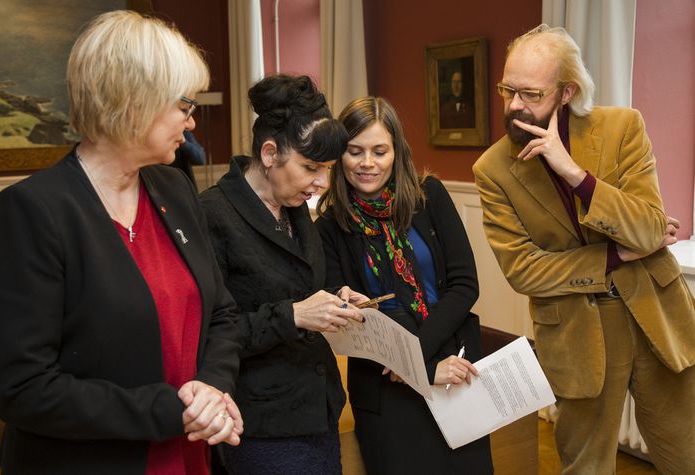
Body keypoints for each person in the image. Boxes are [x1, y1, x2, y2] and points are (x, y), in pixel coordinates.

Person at [0, 11, 243, 475]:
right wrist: (169, 411)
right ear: (134, 102)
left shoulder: (175, 190)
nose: (192, 124)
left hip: (192, 455)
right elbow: (24, 389)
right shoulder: (33, 211)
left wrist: (212, 388)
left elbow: (221, 312)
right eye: (184, 107)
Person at [473, 24, 695, 475]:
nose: (515, 104)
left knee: (685, 456)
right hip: (576, 334)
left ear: (566, 91)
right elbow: (524, 270)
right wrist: (616, 255)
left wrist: (575, 173)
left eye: (531, 94)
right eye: (507, 89)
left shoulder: (622, 128)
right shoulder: (491, 170)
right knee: (584, 467)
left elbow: (650, 226)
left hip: (657, 316)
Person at [198, 74, 367, 475]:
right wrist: (294, 315)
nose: (322, 183)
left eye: (327, 169)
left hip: (318, 409)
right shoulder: (212, 215)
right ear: (270, 152)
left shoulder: (294, 209)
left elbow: (298, 287)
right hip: (261, 423)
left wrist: (333, 297)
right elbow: (210, 335)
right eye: (311, 167)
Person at [316, 96, 493, 475]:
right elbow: (341, 312)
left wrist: (422, 361)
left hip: (453, 368)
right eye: (354, 151)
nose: (367, 163)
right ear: (338, 156)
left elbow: (464, 285)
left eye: (379, 151)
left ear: (396, 152)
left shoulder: (430, 196)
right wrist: (418, 368)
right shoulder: (328, 226)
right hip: (386, 389)